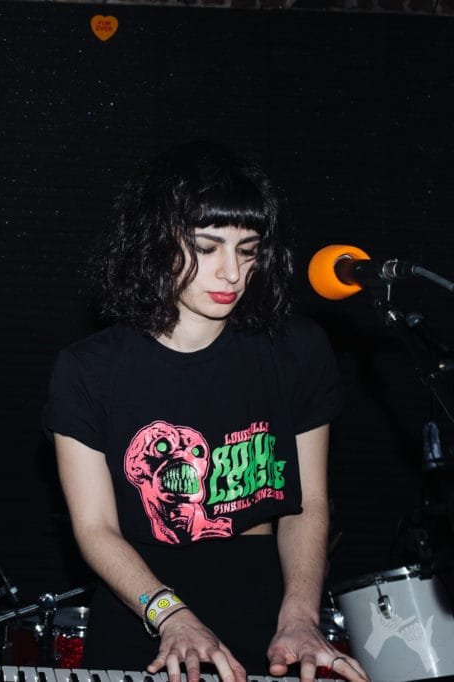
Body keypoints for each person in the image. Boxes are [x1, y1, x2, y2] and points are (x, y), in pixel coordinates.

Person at [43, 142, 369, 682]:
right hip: (141, 607)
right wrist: (170, 616)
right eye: (207, 247)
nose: (232, 273)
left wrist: (299, 616)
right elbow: (95, 528)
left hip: (264, 606)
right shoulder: (89, 370)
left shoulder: (297, 352)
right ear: (154, 242)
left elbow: (307, 504)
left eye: (248, 250)